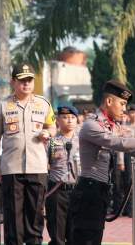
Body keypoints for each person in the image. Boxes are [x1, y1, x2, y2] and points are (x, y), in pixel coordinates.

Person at [70, 80, 135, 245]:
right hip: (89, 191)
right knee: (85, 240)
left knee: (94, 239)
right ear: (109, 101)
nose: (125, 109)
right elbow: (118, 143)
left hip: (100, 191)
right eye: (122, 104)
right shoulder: (92, 125)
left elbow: (132, 149)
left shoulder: (112, 126)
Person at [0, 63, 56, 245]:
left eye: (29, 80)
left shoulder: (43, 104)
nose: (26, 84)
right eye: (22, 81)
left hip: (38, 167)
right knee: (13, 218)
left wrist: (48, 133)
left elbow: (52, 126)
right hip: (11, 168)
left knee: (35, 216)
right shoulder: (2, 106)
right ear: (13, 82)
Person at [45, 105, 80, 245]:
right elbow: (44, 165)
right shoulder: (52, 141)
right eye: (65, 117)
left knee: (75, 235)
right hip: (57, 191)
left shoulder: (83, 141)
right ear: (57, 120)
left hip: (78, 191)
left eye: (72, 117)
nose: (69, 120)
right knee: (57, 235)